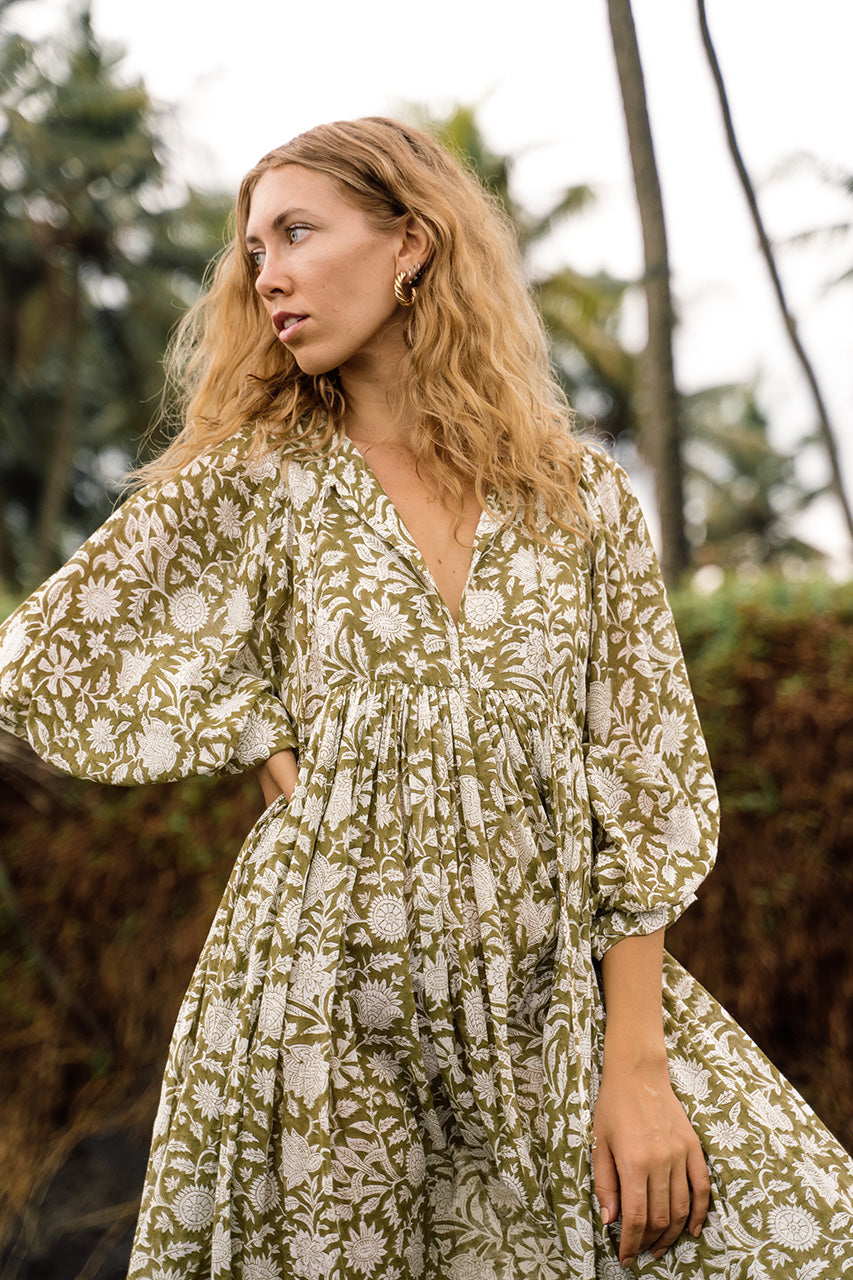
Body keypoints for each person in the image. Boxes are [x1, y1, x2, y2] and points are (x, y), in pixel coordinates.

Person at [0, 117, 850, 1280]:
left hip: (546, 1003)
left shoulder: (580, 500)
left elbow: (640, 785)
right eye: (253, 250)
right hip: (322, 1008)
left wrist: (637, 1067)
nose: (269, 274)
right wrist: (256, 721)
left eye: (298, 232)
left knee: (800, 1229)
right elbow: (43, 660)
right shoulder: (257, 483)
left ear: (411, 242)